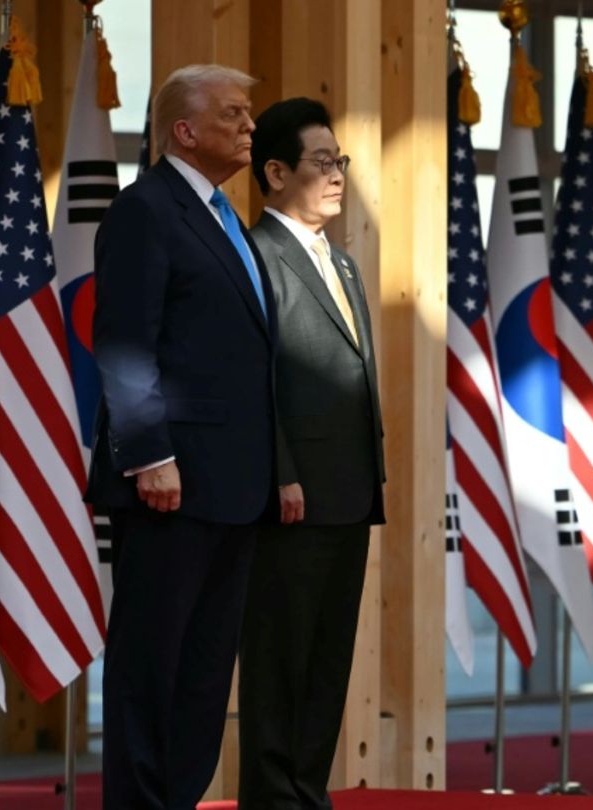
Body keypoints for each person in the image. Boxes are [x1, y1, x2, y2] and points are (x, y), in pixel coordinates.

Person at [87, 64, 273, 810]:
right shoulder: (145, 210)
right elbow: (125, 343)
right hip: (170, 481)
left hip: (233, 484)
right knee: (151, 669)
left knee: (203, 674)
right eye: (234, 114)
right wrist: (150, 456)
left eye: (249, 113)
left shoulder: (226, 218)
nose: (250, 126)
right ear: (185, 131)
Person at [238, 97, 385, 810]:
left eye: (340, 161)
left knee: (327, 662)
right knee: (280, 662)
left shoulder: (344, 263)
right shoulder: (254, 257)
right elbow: (254, 380)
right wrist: (281, 473)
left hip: (349, 493)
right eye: (321, 162)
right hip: (291, 497)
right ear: (275, 172)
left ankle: (307, 794)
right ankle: (273, 799)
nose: (336, 175)